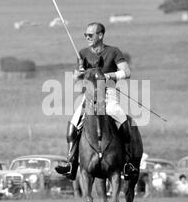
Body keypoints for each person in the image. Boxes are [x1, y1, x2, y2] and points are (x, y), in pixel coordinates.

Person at [55, 22, 139, 180]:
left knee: (121, 117)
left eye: (90, 35)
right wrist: (79, 75)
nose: (87, 38)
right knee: (74, 123)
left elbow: (126, 72)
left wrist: (109, 76)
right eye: (85, 35)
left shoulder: (113, 51)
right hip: (90, 95)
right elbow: (76, 80)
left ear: (100, 35)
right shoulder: (83, 53)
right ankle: (71, 163)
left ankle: (128, 163)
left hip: (109, 93)